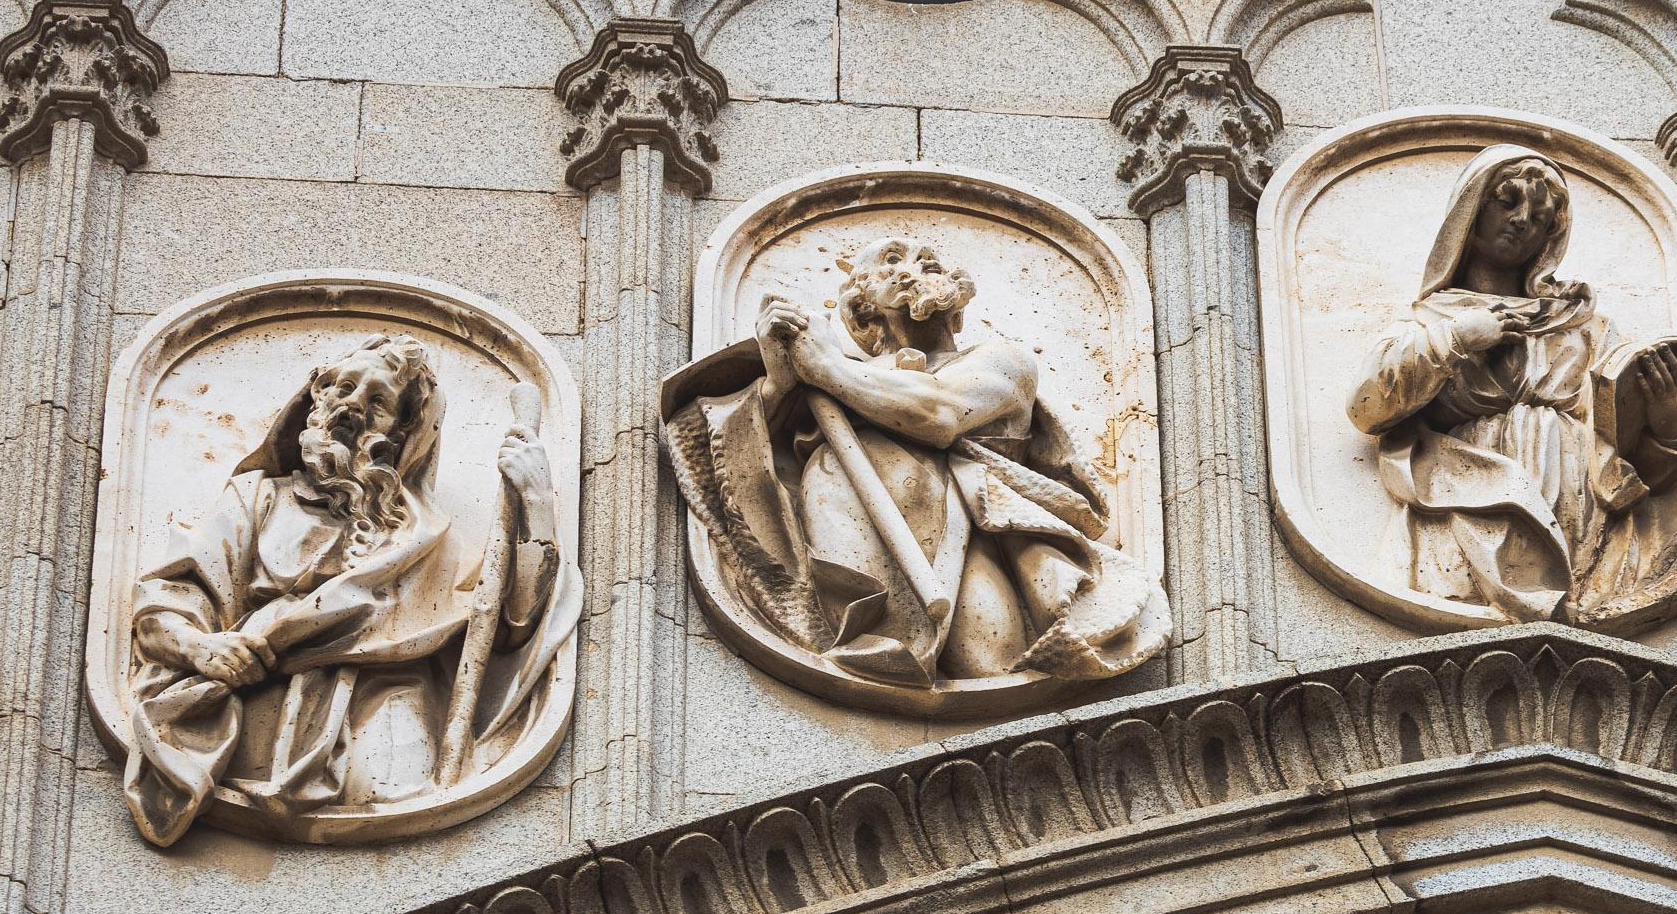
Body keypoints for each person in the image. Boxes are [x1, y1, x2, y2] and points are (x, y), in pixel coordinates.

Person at [122, 335, 574, 845]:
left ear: (402, 432)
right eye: (343, 387)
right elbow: (171, 601)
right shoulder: (256, 498)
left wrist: (535, 503)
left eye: (377, 401)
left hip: (385, 716)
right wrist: (202, 647)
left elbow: (511, 627)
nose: (352, 406)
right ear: (316, 399)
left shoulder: (426, 538)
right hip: (256, 714)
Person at [667, 234, 1166, 688]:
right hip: (852, 557)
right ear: (862, 311)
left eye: (930, 258)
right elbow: (735, 454)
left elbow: (937, 413)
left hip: (964, 540)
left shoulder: (1000, 360)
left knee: (988, 661)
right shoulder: (836, 382)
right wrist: (778, 384)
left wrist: (823, 367)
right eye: (891, 259)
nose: (921, 260)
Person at [1347, 145, 1677, 624]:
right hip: (1467, 500)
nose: (1521, 220)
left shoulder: (1583, 327)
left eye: (1539, 216)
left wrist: (1667, 430)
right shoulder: (1432, 319)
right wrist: (1458, 338)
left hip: (1582, 508)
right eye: (1507, 201)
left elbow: (1631, 465)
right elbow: (1367, 407)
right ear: (1471, 209)